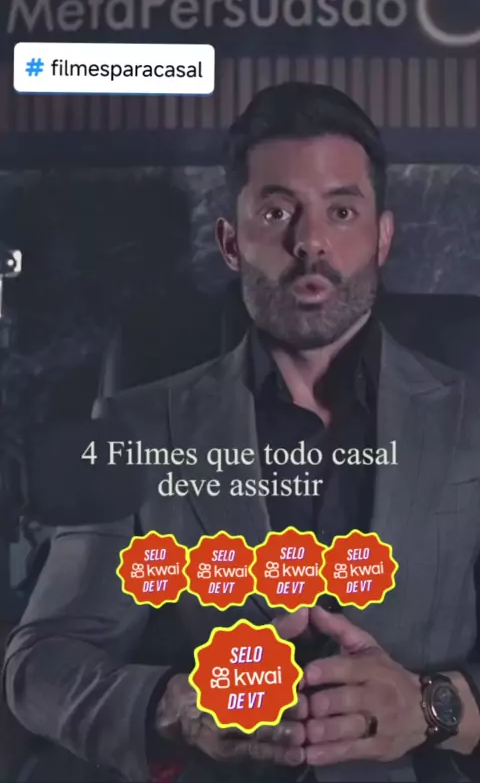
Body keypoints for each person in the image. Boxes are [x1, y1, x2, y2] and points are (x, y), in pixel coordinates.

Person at [4, 83, 480, 783]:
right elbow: (41, 662)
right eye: (277, 210)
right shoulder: (140, 427)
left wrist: (437, 706)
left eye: (341, 210)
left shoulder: (471, 419)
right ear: (230, 241)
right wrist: (177, 708)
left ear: (382, 236)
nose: (310, 240)